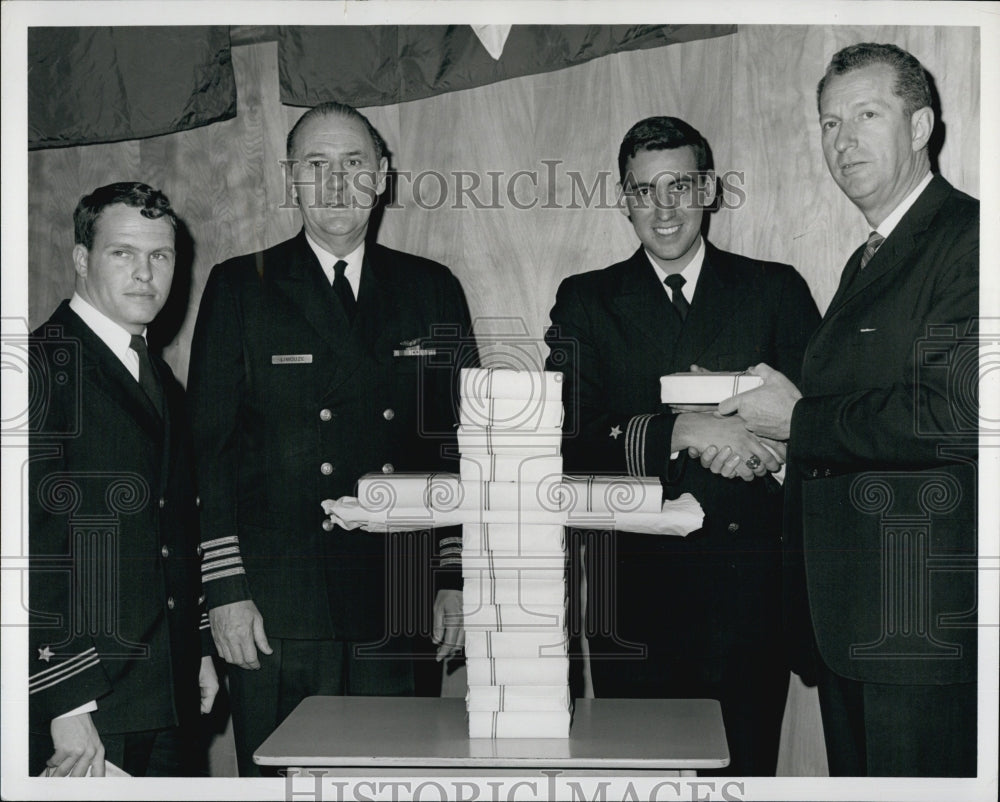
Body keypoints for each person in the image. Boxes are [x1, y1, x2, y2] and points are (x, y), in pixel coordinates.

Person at [187, 101, 476, 776]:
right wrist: (224, 591)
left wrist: (454, 576)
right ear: (291, 179)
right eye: (316, 164)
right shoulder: (240, 287)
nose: (337, 182)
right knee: (286, 782)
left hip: (400, 594)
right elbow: (210, 453)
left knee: (394, 779)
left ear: (382, 175)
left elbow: (458, 445)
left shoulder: (430, 288)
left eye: (353, 163)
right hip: (278, 603)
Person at [719, 43, 978, 776]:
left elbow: (957, 414)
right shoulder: (872, 254)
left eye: (867, 115)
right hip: (857, 623)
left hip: (915, 628)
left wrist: (796, 422)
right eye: (830, 123)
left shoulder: (970, 237)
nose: (842, 140)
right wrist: (772, 436)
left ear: (921, 125)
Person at [543, 116, 821, 775]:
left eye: (680, 186)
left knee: (742, 775)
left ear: (710, 190)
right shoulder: (587, 299)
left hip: (749, 598)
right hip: (632, 601)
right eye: (645, 190)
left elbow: (820, 422)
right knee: (642, 780)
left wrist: (765, 449)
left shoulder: (774, 289)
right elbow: (564, 436)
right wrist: (684, 431)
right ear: (624, 198)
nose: (664, 209)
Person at [28, 182, 218, 777]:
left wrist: (197, 648)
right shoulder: (38, 367)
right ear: (82, 259)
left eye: (160, 255)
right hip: (86, 703)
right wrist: (63, 699)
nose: (145, 273)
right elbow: (26, 549)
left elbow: (175, 526)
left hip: (165, 689)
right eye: (123, 253)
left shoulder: (156, 375)